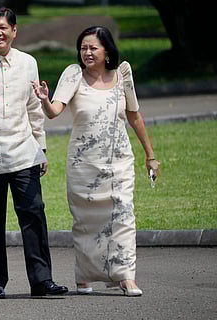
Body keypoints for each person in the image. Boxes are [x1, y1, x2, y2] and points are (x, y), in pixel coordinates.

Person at [32, 26, 160, 296]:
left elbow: (134, 116)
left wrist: (150, 155)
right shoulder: (73, 75)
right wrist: (44, 100)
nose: (87, 52)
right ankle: (85, 277)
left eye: (93, 48)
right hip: (84, 164)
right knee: (86, 222)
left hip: (119, 161)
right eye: (83, 48)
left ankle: (126, 276)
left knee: (123, 216)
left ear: (106, 50)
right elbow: (54, 111)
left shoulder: (122, 75)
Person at [0, 6, 68, 299]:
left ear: (14, 31)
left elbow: (34, 108)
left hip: (24, 153)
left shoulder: (28, 63)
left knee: (33, 214)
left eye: (3, 27)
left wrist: (41, 147)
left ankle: (42, 280)